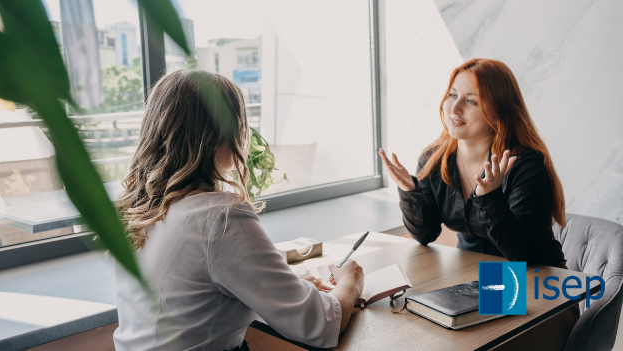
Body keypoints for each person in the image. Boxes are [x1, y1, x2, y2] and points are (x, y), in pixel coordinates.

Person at [113, 70, 364, 351]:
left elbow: (194, 297)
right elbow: (318, 324)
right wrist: (350, 282)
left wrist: (283, 288)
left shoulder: (141, 209)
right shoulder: (219, 216)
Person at [380, 58, 577, 350]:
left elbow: (521, 254)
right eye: (452, 95)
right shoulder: (436, 158)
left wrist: (488, 198)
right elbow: (426, 233)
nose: (454, 108)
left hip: (539, 284)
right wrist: (409, 190)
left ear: (498, 113)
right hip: (474, 282)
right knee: (416, 331)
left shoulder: (525, 165)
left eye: (470, 101)